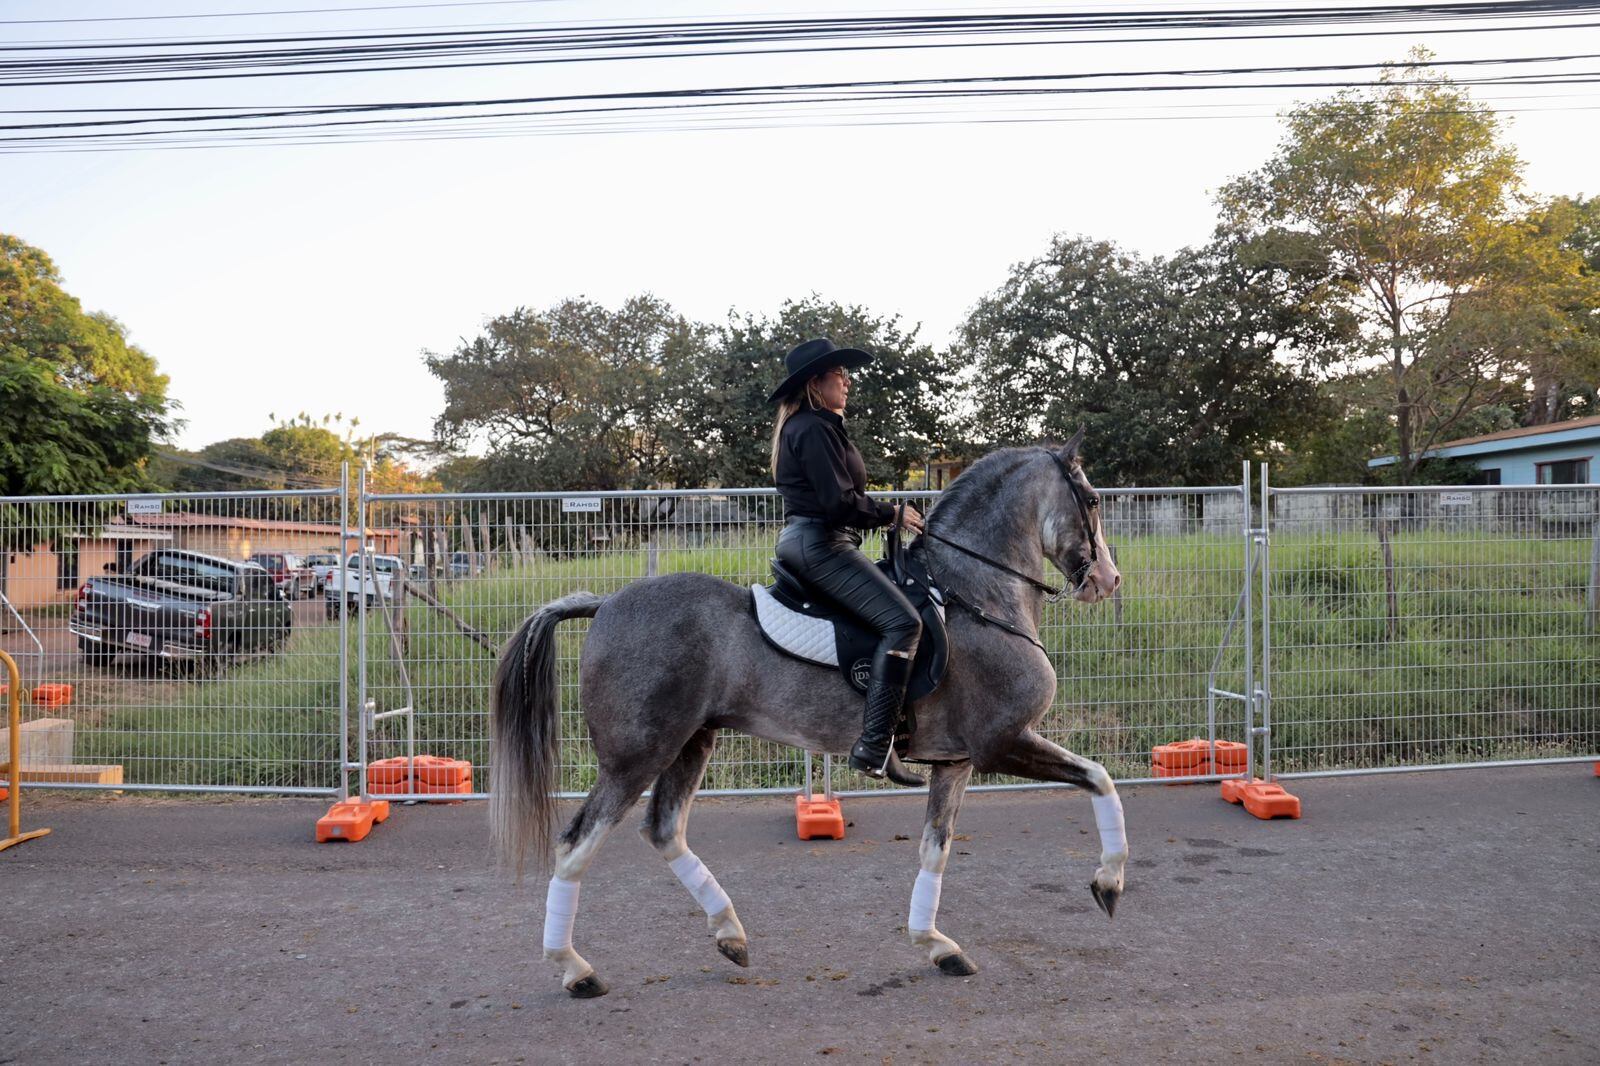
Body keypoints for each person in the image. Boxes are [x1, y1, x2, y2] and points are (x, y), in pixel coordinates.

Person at [768, 338, 926, 786]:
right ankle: (876, 746)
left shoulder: (814, 426)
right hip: (822, 543)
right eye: (839, 374)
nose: (848, 381)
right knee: (904, 624)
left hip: (819, 540)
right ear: (816, 384)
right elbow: (839, 503)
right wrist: (891, 514)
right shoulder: (813, 429)